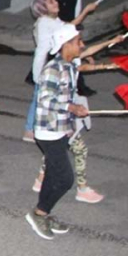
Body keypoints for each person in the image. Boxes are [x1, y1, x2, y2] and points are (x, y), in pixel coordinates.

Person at [25, 24, 90, 239]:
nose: (82, 45)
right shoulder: (53, 69)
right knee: (65, 179)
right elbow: (45, 99)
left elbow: (65, 98)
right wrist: (72, 108)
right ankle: (38, 213)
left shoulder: (69, 66)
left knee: (53, 175)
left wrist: (71, 122)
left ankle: (44, 213)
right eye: (78, 41)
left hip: (60, 129)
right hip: (48, 131)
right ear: (66, 45)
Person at [23, 0, 96, 141]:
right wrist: (85, 11)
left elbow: (70, 37)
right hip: (45, 66)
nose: (56, 3)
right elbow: (69, 29)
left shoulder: (54, 20)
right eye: (51, 2)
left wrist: (84, 52)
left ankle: (61, 126)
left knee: (56, 94)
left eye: (55, 0)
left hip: (53, 64)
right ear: (43, 8)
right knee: (40, 98)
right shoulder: (44, 22)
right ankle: (30, 129)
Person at [52, 0, 97, 95]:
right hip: (66, 20)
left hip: (73, 19)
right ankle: (80, 87)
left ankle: (33, 76)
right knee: (72, 53)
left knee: (57, 51)